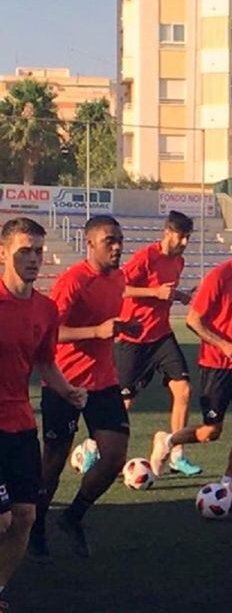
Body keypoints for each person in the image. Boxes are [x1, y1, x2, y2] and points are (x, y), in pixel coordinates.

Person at [31, 215, 134, 559]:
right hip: (65, 382)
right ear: (90, 243)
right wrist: (96, 331)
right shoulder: (72, 282)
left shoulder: (119, 278)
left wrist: (121, 328)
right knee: (54, 463)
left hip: (104, 381)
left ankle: (73, 516)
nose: (118, 247)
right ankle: (37, 525)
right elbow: (51, 334)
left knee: (115, 457)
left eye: (120, 239)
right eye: (110, 241)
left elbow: (108, 323)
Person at [150, 227, 232, 503]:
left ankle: (228, 483)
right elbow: (193, 320)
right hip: (215, 365)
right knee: (211, 432)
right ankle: (169, 441)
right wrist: (223, 345)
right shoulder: (219, 277)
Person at [0, 218, 86, 613]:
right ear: (4, 252)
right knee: (1, 520)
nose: (33, 259)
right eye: (24, 251)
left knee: (25, 517)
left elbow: (45, 362)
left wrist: (67, 390)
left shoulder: (45, 310)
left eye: (37, 251)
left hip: (20, 424)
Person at [114, 209, 201, 476]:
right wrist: (154, 292)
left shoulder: (179, 261)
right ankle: (109, 454)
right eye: (181, 237)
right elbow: (121, 287)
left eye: (188, 237)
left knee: (183, 391)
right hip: (134, 337)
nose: (184, 243)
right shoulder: (145, 257)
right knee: (124, 403)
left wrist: (181, 295)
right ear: (167, 233)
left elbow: (165, 292)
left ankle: (175, 452)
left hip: (161, 336)